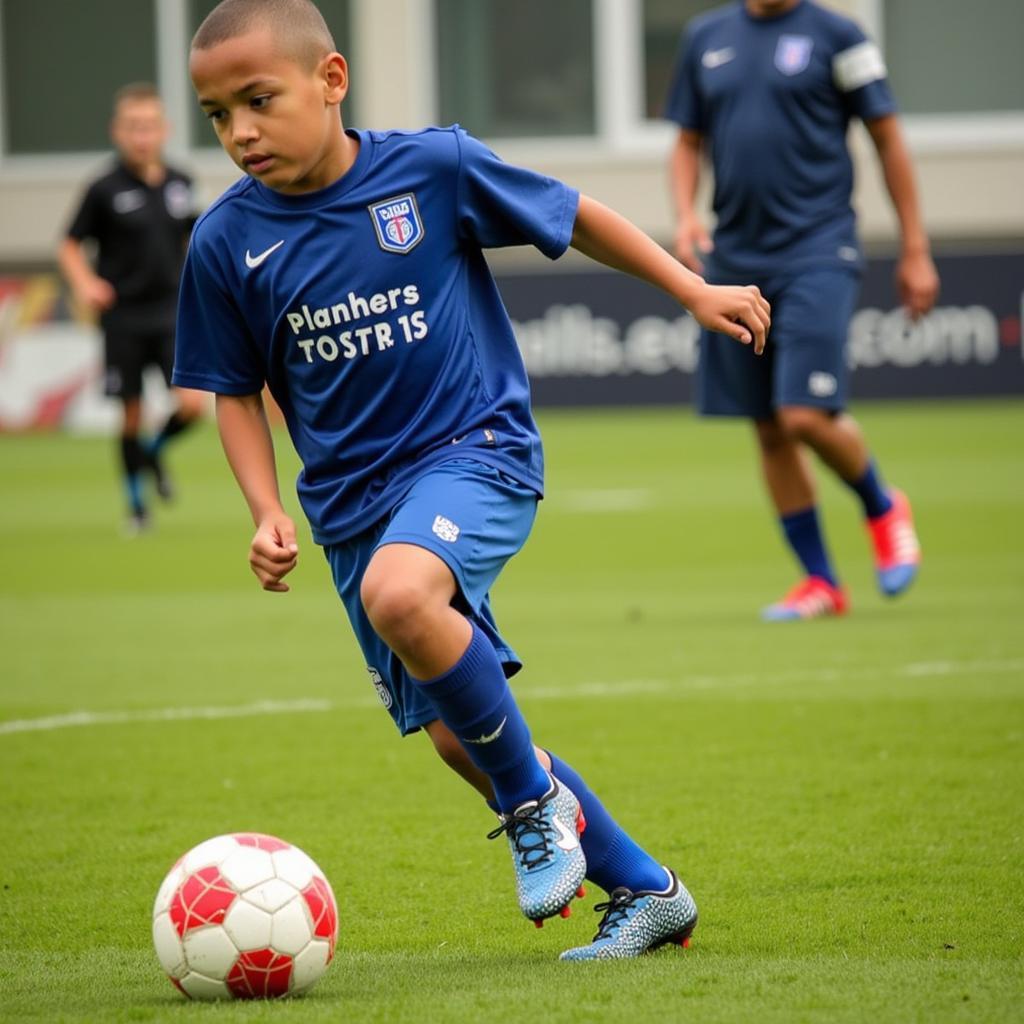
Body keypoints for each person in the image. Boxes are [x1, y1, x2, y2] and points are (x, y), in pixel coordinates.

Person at [177, 0, 769, 960]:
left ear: (331, 82)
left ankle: (535, 807)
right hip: (350, 508)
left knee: (400, 593)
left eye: (258, 99)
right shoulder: (225, 243)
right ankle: (650, 894)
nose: (240, 131)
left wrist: (692, 288)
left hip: (476, 451)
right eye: (216, 114)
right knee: (463, 732)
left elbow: (575, 216)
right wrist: (264, 507)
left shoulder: (432, 168)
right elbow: (233, 391)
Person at [665, 0, 939, 620]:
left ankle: (881, 505)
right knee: (766, 424)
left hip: (819, 247)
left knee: (804, 415)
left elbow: (888, 139)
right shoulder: (705, 36)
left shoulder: (839, 35)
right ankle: (821, 582)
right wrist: (685, 217)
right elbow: (686, 142)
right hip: (734, 256)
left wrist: (915, 248)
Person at [59, 83, 205, 534]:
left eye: (150, 126)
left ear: (165, 130)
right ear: (117, 131)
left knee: (193, 406)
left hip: (172, 313)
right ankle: (137, 506)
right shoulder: (103, 188)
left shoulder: (181, 182)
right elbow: (69, 243)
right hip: (122, 317)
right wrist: (86, 282)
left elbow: (194, 238)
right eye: (133, 127)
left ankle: (153, 452)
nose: (142, 135)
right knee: (132, 414)